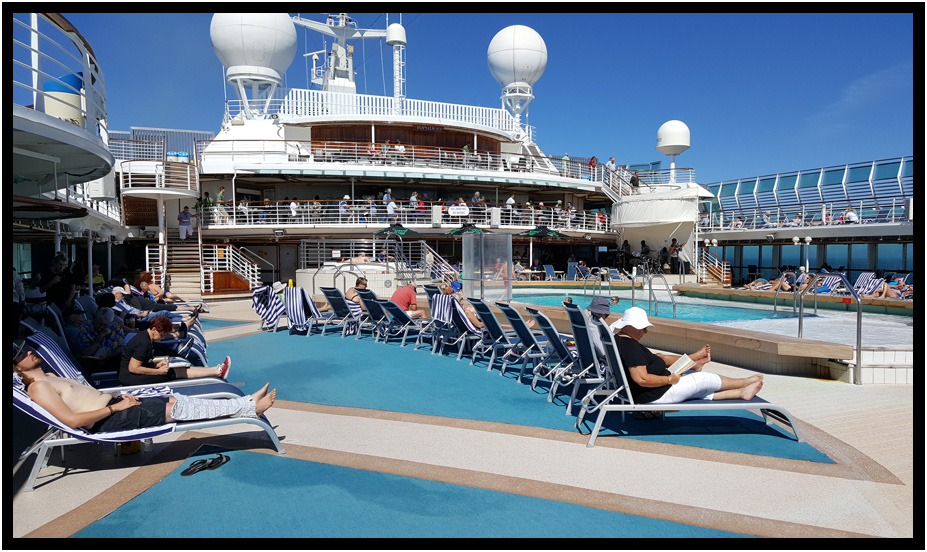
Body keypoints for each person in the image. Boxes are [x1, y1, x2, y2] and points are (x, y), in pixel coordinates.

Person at [13, 341, 275, 434]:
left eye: (25, 349)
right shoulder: (38, 387)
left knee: (176, 401)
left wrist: (116, 397)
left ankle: (246, 405)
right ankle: (249, 407)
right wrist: (116, 407)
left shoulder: (50, 375)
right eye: (21, 355)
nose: (29, 352)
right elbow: (72, 421)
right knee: (178, 409)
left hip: (117, 404)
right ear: (15, 368)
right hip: (110, 419)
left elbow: (83, 397)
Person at [611, 307, 763, 405]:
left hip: (650, 390)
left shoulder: (619, 340)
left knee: (697, 385)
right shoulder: (630, 347)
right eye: (643, 327)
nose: (645, 331)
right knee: (703, 380)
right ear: (631, 326)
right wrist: (669, 380)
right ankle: (744, 382)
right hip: (654, 393)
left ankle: (741, 392)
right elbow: (642, 379)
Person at [118, 315, 230, 386]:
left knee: (180, 369)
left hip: (131, 374)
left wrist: (156, 365)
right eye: (162, 335)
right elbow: (133, 368)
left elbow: (141, 361)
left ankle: (216, 370)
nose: (162, 338)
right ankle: (217, 372)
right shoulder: (143, 343)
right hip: (130, 378)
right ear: (154, 329)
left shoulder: (146, 338)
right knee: (178, 372)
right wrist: (158, 372)